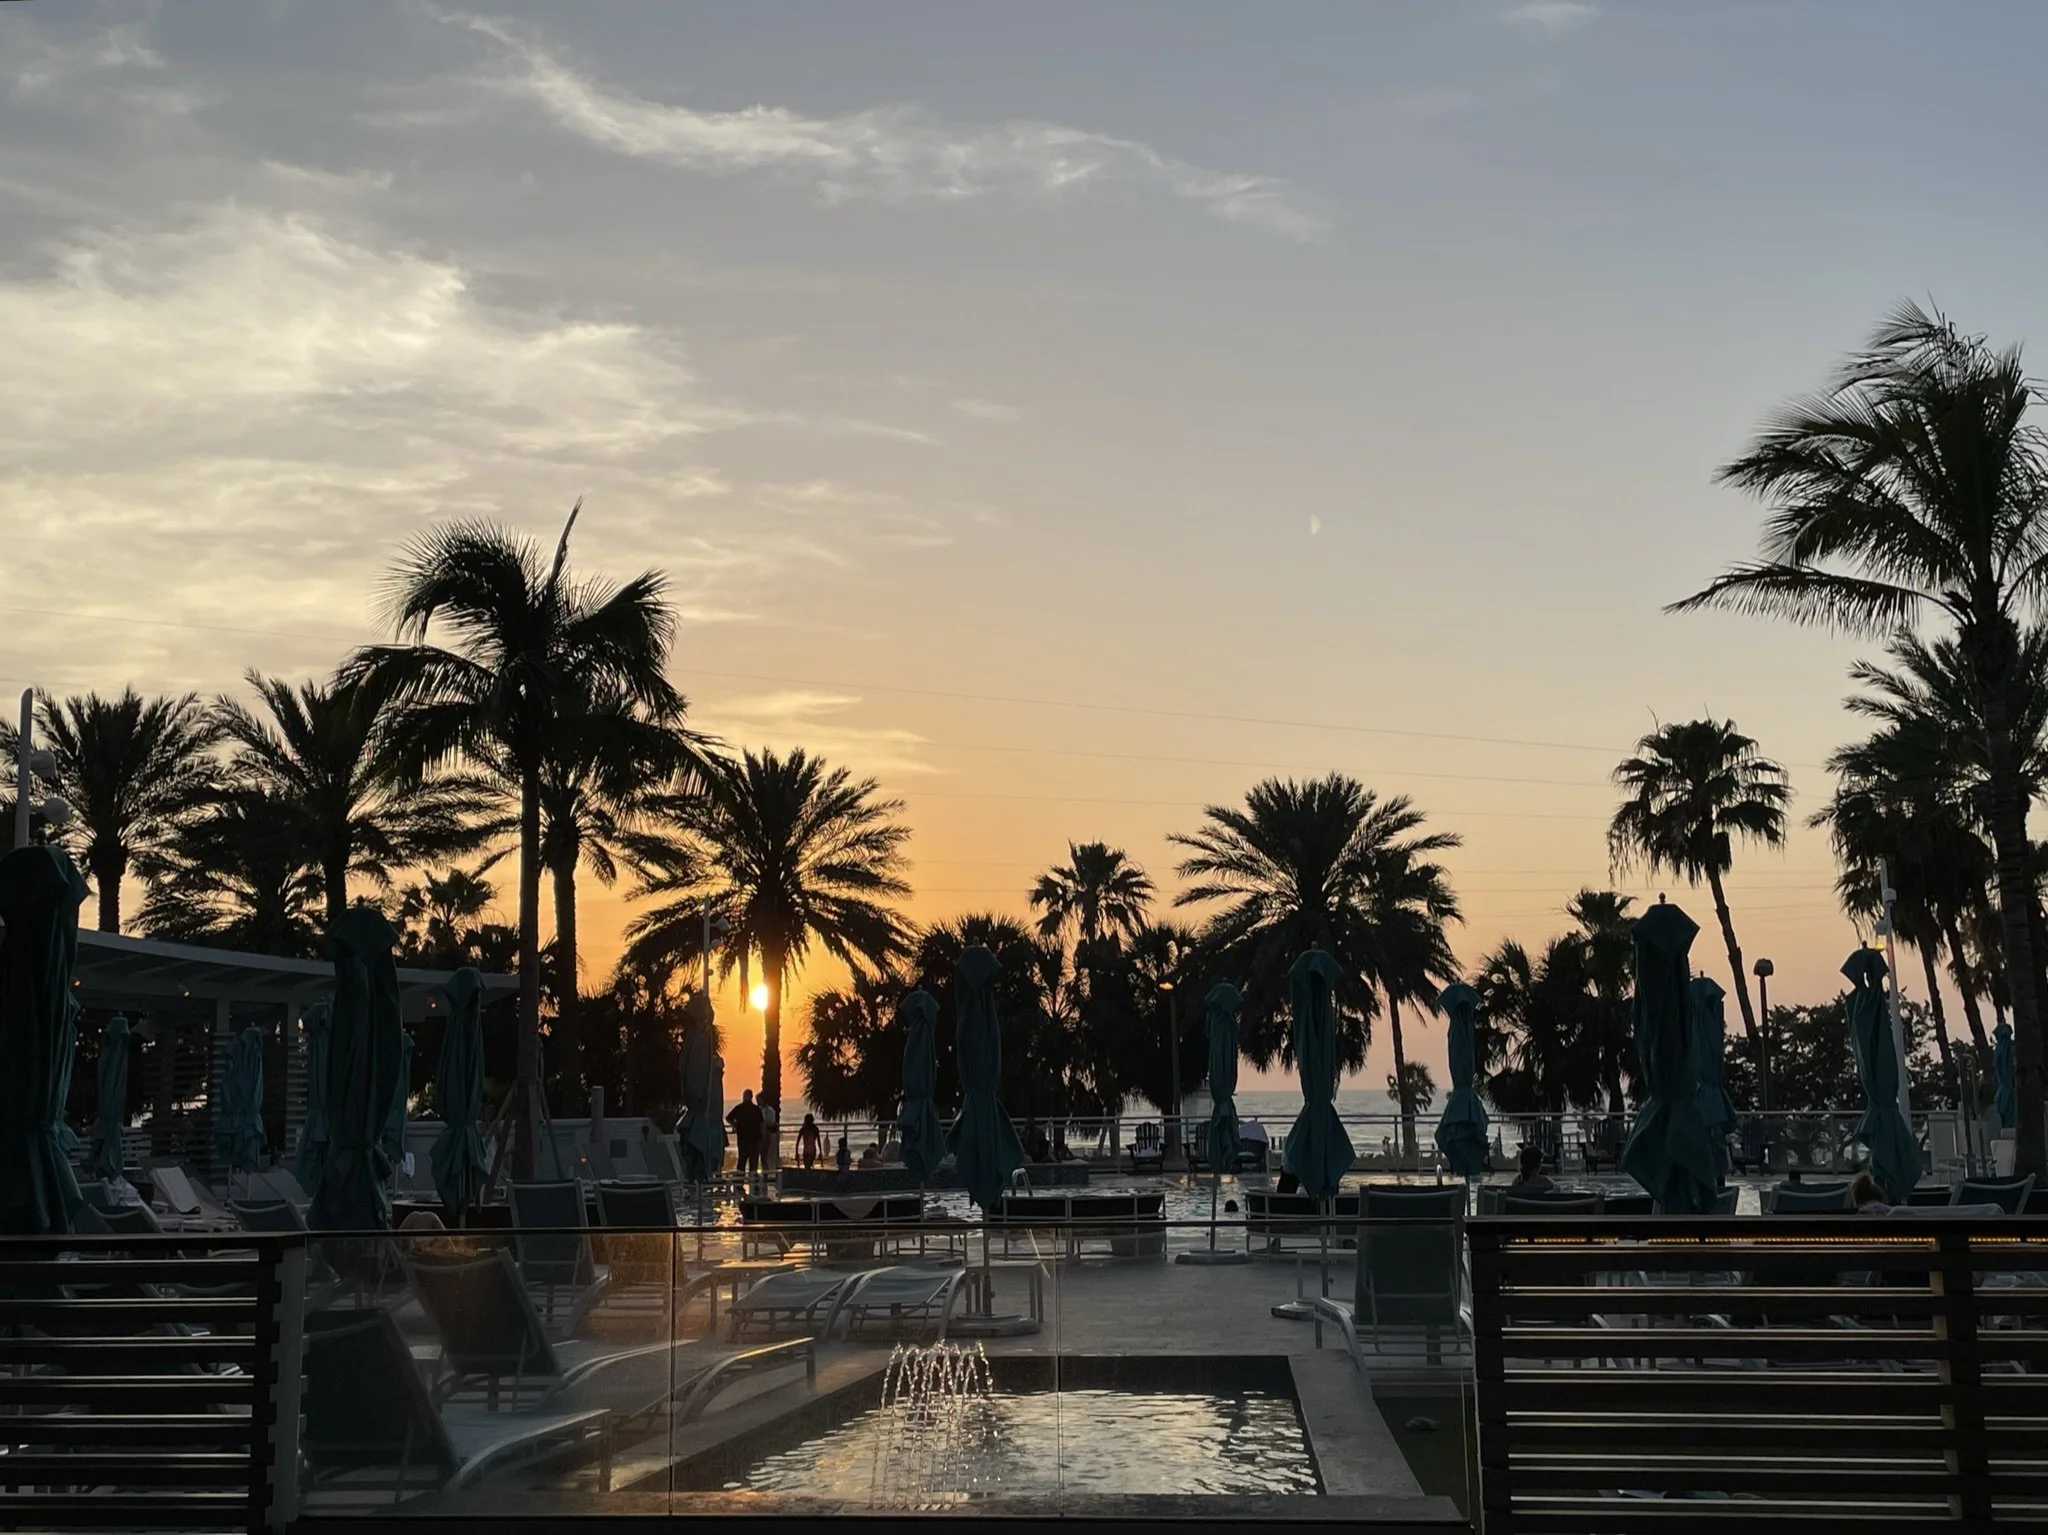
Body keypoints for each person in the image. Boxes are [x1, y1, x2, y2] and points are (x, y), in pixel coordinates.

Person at [727, 1089, 764, 1182]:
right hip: (755, 1140)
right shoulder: (757, 1109)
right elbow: (761, 1125)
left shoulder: (739, 1108)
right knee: (753, 1164)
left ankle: (739, 1184)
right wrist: (761, 1138)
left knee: (741, 1163)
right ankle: (753, 1184)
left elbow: (728, 1118)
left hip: (743, 1140)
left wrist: (735, 1125)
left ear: (745, 1096)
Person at [760, 1098, 781, 1178]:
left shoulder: (770, 1110)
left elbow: (772, 1122)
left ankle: (766, 1174)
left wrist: (765, 1123)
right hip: (761, 1135)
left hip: (767, 1134)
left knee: (765, 1156)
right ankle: (764, 1174)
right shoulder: (759, 1109)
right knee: (763, 1157)